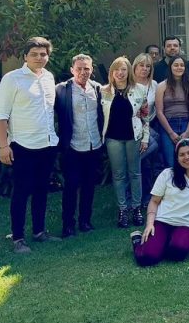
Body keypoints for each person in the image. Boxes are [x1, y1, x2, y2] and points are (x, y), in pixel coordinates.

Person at [0, 37, 60, 253]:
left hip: (47, 144)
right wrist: (4, 146)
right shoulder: (12, 79)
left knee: (42, 189)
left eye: (43, 54)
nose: (39, 58)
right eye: (34, 54)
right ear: (25, 56)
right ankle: (18, 238)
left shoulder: (49, 77)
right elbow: (1, 116)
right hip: (22, 146)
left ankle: (39, 231)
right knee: (21, 192)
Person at [131, 138, 189, 266]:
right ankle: (137, 242)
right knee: (147, 258)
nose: (186, 157)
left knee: (178, 253)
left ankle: (163, 243)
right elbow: (154, 201)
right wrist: (149, 224)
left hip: (185, 223)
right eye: (181, 154)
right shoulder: (167, 174)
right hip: (162, 220)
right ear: (176, 158)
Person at [55, 54, 104, 238]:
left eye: (87, 68)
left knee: (89, 185)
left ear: (91, 70)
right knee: (71, 186)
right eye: (79, 68)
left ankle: (85, 221)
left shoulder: (98, 88)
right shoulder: (61, 90)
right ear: (72, 70)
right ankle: (68, 224)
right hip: (73, 146)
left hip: (94, 145)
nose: (83, 72)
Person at [102, 56, 150, 228]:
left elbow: (145, 116)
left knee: (135, 173)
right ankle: (123, 209)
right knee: (119, 174)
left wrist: (145, 138)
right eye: (117, 69)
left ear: (128, 71)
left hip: (134, 137)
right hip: (113, 139)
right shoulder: (104, 91)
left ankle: (136, 208)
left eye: (123, 69)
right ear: (112, 72)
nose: (120, 73)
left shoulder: (139, 89)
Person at [155, 55, 189, 173]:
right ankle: (172, 189)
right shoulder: (161, 86)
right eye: (176, 65)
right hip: (167, 125)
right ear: (170, 67)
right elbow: (159, 112)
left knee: (188, 161)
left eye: (182, 65)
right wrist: (171, 133)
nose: (179, 67)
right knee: (170, 163)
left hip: (186, 124)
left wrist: (188, 131)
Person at [133, 52, 161, 208]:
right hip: (132, 130)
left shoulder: (154, 85)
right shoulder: (128, 83)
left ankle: (146, 198)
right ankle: (136, 196)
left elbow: (157, 107)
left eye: (148, 66)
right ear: (135, 66)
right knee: (142, 164)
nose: (144, 69)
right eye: (141, 65)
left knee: (147, 163)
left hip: (150, 126)